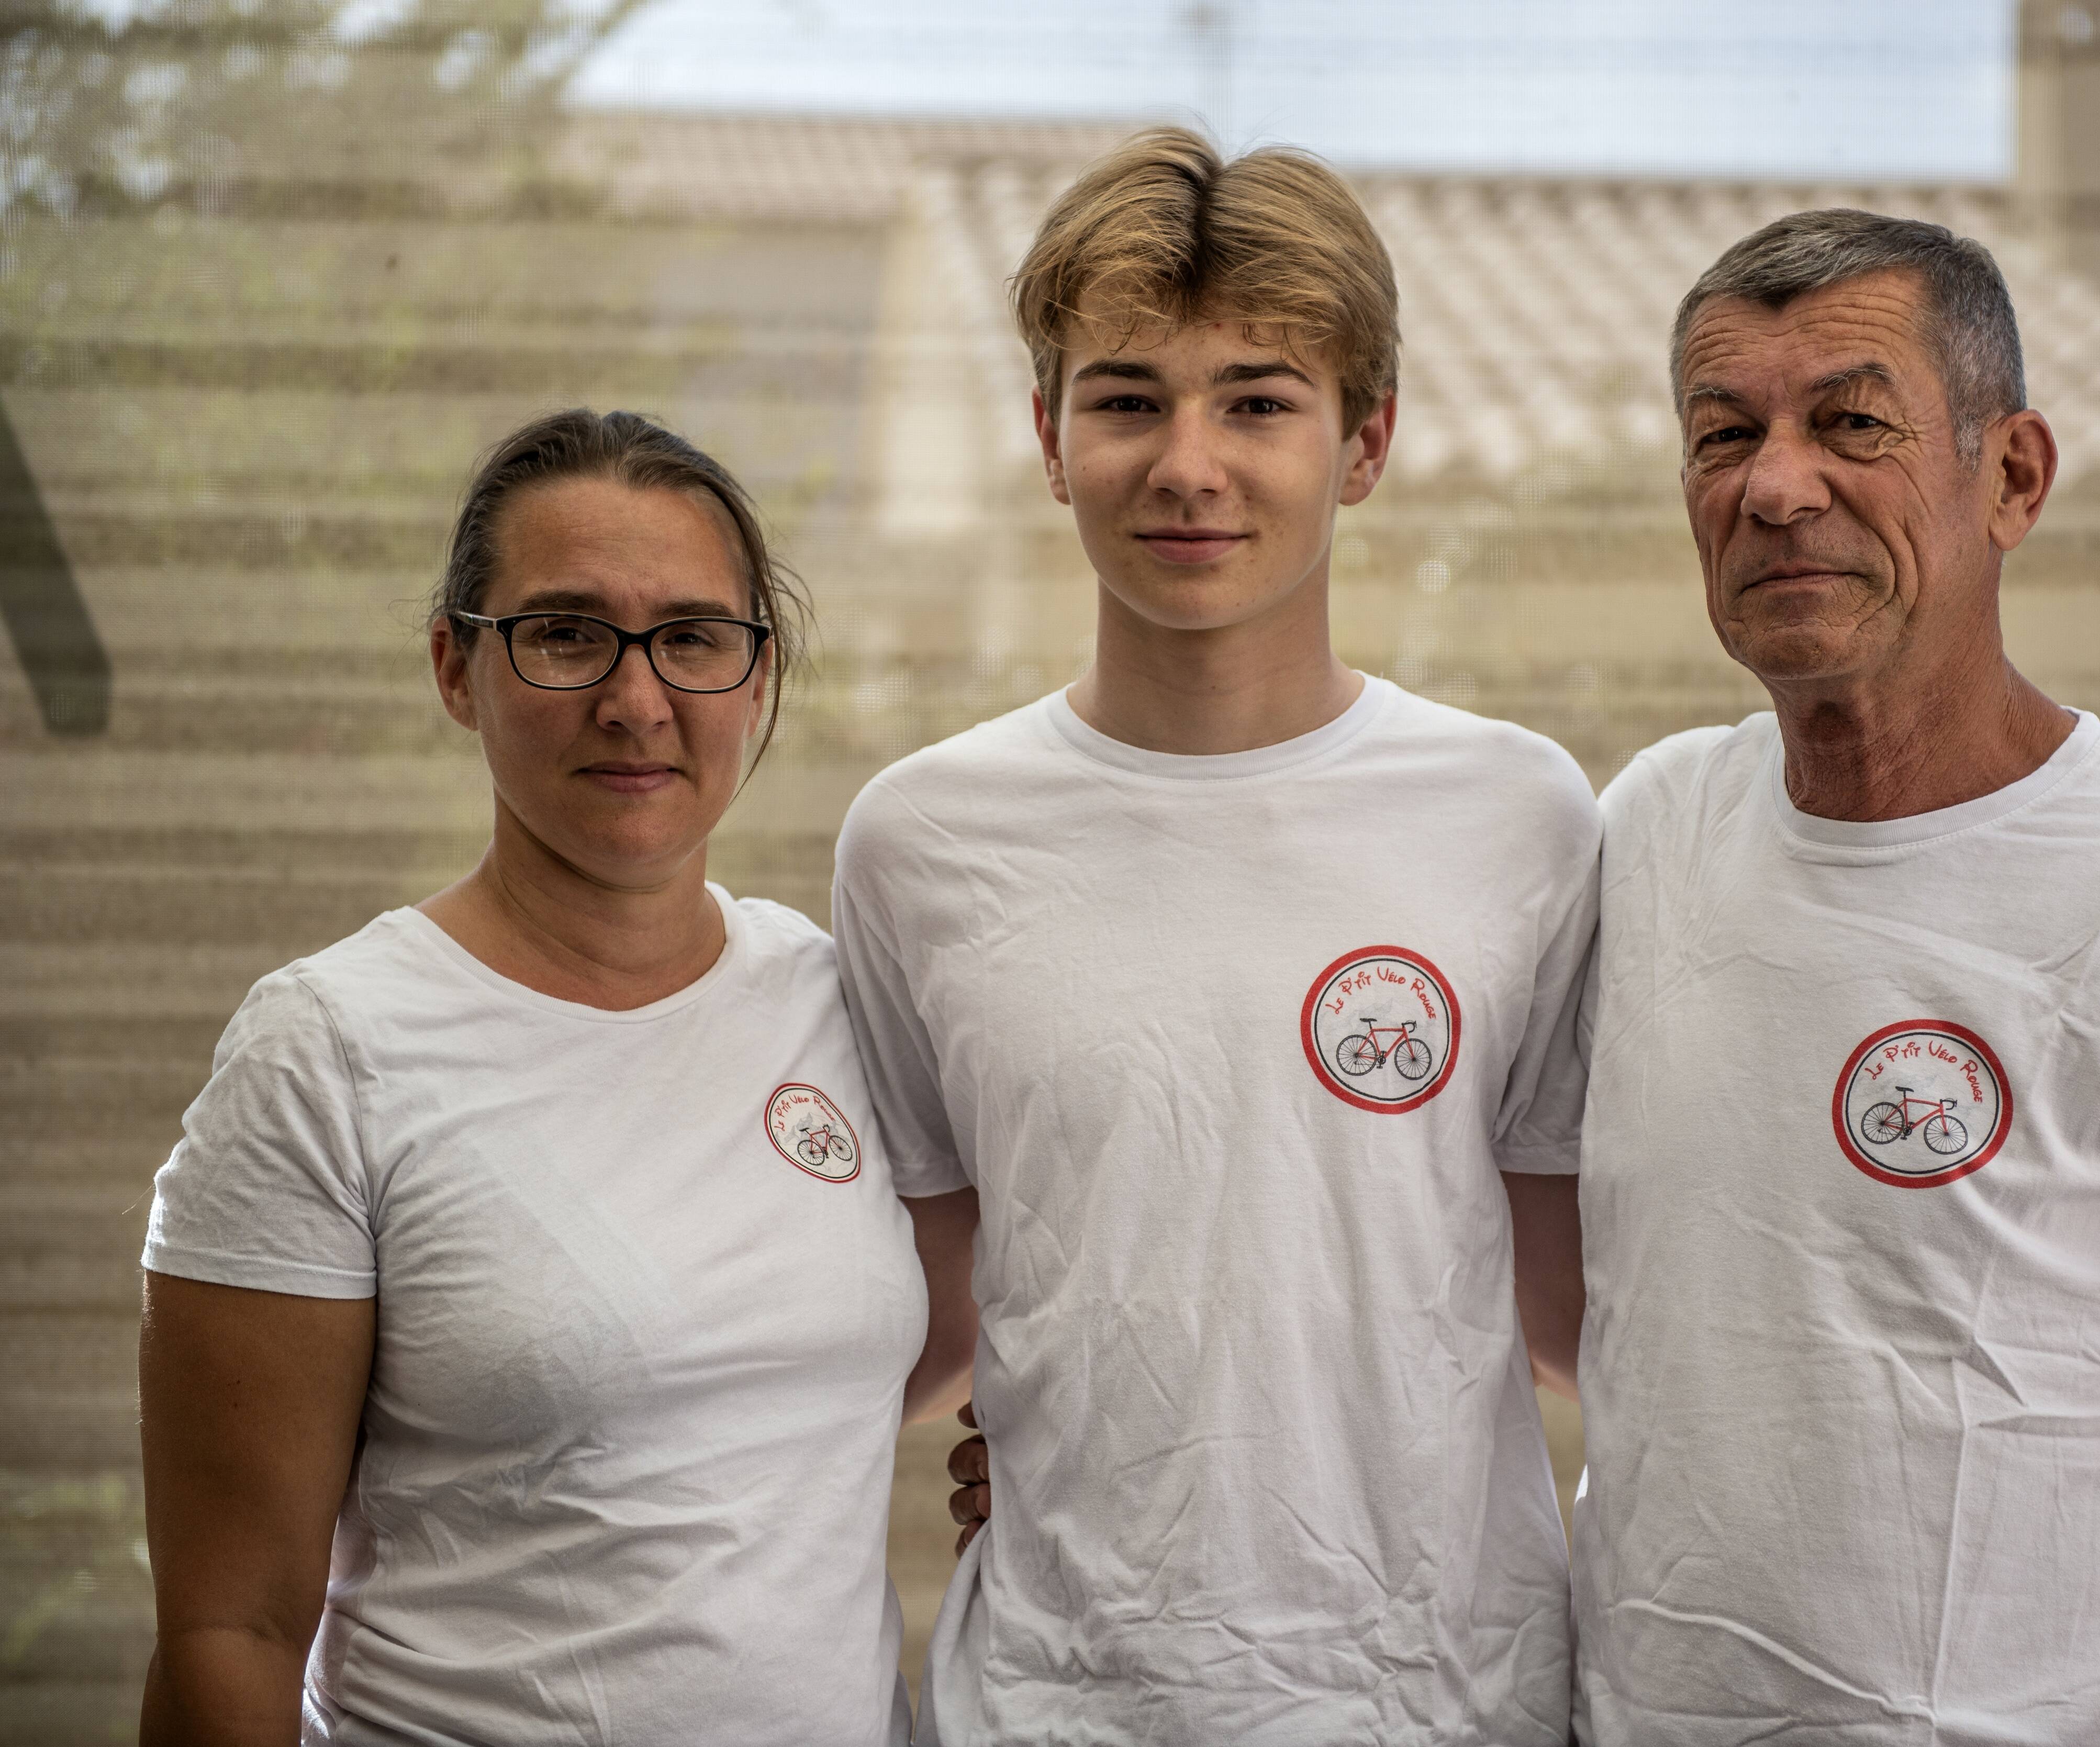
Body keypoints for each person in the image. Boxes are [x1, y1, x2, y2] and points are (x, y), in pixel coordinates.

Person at [1564, 210, 2100, 1745]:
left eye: (1853, 424)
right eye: (1723, 435)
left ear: (2012, 476)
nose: (1775, 487)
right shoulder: (1648, 833)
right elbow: (1603, 1307)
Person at [832, 128, 1595, 1745]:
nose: (1189, 464)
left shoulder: (1522, 813)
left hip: (1452, 1705)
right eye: (1127, 401)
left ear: (1366, 441)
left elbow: (1585, 1310)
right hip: (1052, 1704)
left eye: (1257, 403)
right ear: (1048, 439)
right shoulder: (920, 841)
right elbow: (923, 1315)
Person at [136, 409, 942, 1747]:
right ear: (456, 667)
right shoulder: (328, 1051)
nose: (638, 700)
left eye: (693, 637)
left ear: (758, 675)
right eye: (567, 634)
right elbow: (234, 1630)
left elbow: (932, 1338)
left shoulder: (835, 997)